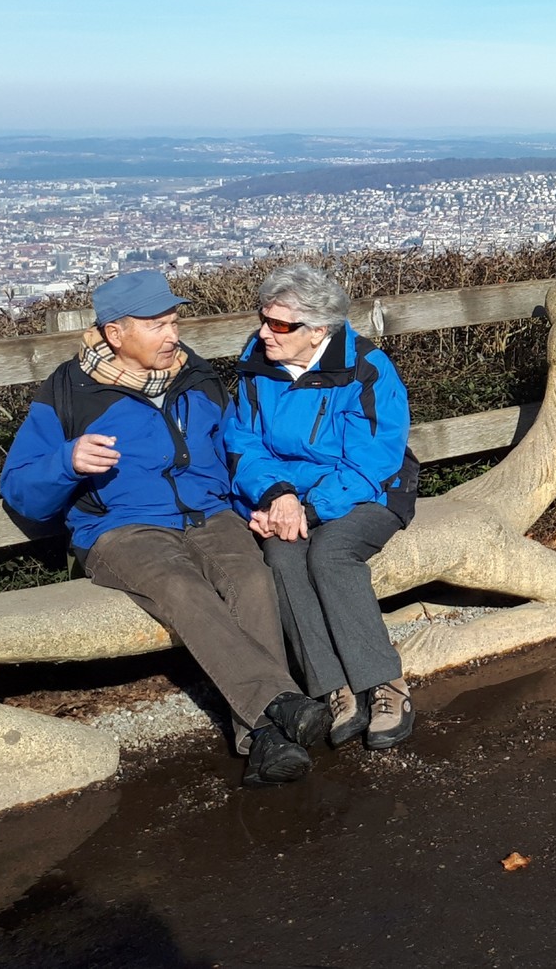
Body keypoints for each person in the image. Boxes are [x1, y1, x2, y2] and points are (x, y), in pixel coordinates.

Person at [0, 271, 331, 788]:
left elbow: (233, 451)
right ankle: (278, 702)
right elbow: (21, 492)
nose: (172, 334)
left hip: (211, 516)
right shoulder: (68, 392)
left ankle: (263, 740)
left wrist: (261, 502)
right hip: (121, 531)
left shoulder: (195, 376)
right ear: (115, 333)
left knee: (252, 581)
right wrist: (67, 462)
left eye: (173, 321)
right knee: (183, 589)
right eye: (156, 325)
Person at [226, 264, 418, 751]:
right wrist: (276, 496)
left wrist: (309, 511)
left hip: (369, 491)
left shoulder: (368, 370)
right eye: (263, 319)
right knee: (282, 555)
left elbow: (372, 460)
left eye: (280, 325)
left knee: (330, 553)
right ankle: (332, 687)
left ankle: (384, 683)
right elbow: (242, 442)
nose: (264, 332)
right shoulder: (257, 364)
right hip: (287, 496)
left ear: (318, 332)